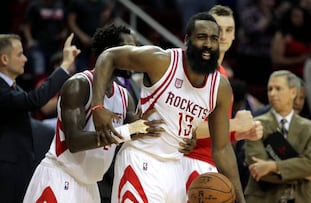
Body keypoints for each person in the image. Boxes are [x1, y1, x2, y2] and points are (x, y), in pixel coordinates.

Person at [91, 12, 245, 203]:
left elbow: (222, 149)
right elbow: (109, 56)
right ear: (187, 40)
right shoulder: (162, 61)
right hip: (141, 160)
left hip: (175, 168)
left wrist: (240, 199)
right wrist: (97, 107)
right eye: (201, 37)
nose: (208, 44)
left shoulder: (220, 87)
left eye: (214, 38)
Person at [23, 23, 166, 203]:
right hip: (60, 179)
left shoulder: (124, 96)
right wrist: (128, 131)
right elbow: (74, 141)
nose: (134, 56)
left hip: (90, 187)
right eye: (129, 49)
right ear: (110, 52)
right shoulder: (79, 85)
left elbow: (135, 130)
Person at [182, 5, 263, 195]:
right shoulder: (195, 71)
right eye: (218, 29)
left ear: (235, 36)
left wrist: (242, 133)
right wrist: (235, 124)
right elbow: (185, 128)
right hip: (187, 161)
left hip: (208, 163)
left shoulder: (223, 75)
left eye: (229, 30)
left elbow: (218, 132)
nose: (223, 35)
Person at [0, 33, 79, 202]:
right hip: (6, 167)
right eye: (20, 54)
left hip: (18, 164)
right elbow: (34, 100)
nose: (25, 59)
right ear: (4, 59)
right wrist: (64, 65)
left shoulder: (12, 87)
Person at [245, 70, 311, 203]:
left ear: (293, 92)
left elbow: (310, 164)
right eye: (270, 89)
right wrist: (302, 174)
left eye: (278, 89)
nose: (272, 93)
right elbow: (258, 170)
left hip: (300, 197)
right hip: (264, 198)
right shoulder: (255, 124)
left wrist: (273, 166)